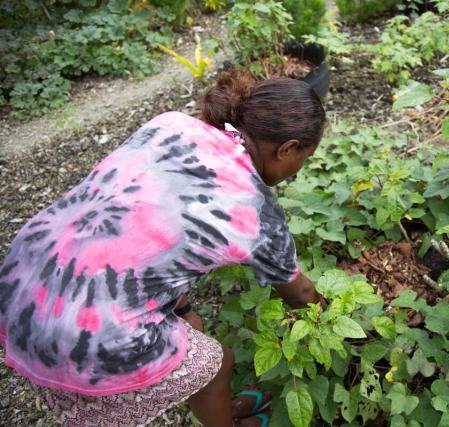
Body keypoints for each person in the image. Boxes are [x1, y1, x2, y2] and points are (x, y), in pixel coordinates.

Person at [0, 69, 327, 427]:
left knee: (200, 347)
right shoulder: (254, 210)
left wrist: (183, 310)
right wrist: (333, 321)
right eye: (304, 158)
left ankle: (219, 407)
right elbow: (300, 294)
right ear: (288, 148)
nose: (299, 168)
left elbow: (147, 226)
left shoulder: (173, 125)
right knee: (219, 364)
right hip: (84, 331)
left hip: (23, 286)